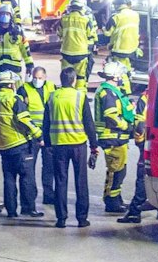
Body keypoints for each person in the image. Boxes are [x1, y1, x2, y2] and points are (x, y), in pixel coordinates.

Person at [42, 66, 98, 228]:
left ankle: (61, 218)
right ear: (73, 80)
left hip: (58, 145)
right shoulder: (80, 97)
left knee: (60, 181)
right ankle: (81, 218)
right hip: (78, 145)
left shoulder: (52, 97)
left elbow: (46, 123)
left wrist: (47, 143)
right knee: (81, 181)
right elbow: (89, 123)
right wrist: (94, 146)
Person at [0, 72, 41, 218]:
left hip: (3, 146)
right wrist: (38, 134)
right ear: (11, 84)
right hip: (19, 144)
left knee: (9, 178)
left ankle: (11, 210)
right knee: (26, 177)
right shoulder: (13, 99)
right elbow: (24, 119)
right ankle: (28, 208)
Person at [92, 61, 138, 215]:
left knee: (120, 170)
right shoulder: (108, 92)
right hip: (112, 137)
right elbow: (111, 115)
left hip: (117, 138)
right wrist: (125, 126)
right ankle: (111, 201)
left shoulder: (112, 90)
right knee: (116, 171)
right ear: (116, 75)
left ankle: (115, 198)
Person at [117, 89, 158, 223]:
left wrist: (139, 143)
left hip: (149, 142)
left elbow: (140, 124)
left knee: (143, 176)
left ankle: (134, 211)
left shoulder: (146, 97)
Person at [20, 63, 53, 202]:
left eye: (39, 77)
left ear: (45, 77)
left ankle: (49, 195)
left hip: (48, 134)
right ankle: (29, 199)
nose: (37, 80)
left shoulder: (51, 87)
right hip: (31, 134)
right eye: (34, 77)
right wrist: (36, 133)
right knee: (29, 169)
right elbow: (22, 113)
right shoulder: (24, 89)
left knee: (49, 167)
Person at [58, 0, 96, 86]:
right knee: (80, 77)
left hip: (66, 53)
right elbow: (91, 35)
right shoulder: (86, 20)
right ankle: (80, 97)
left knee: (66, 78)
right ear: (82, 6)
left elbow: (59, 34)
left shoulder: (64, 19)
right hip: (81, 54)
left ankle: (66, 96)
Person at [107, 0, 142, 75]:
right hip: (132, 49)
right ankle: (127, 83)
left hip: (119, 50)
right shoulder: (135, 14)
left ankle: (122, 86)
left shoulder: (115, 17)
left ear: (117, 5)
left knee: (119, 72)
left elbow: (108, 33)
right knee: (127, 69)